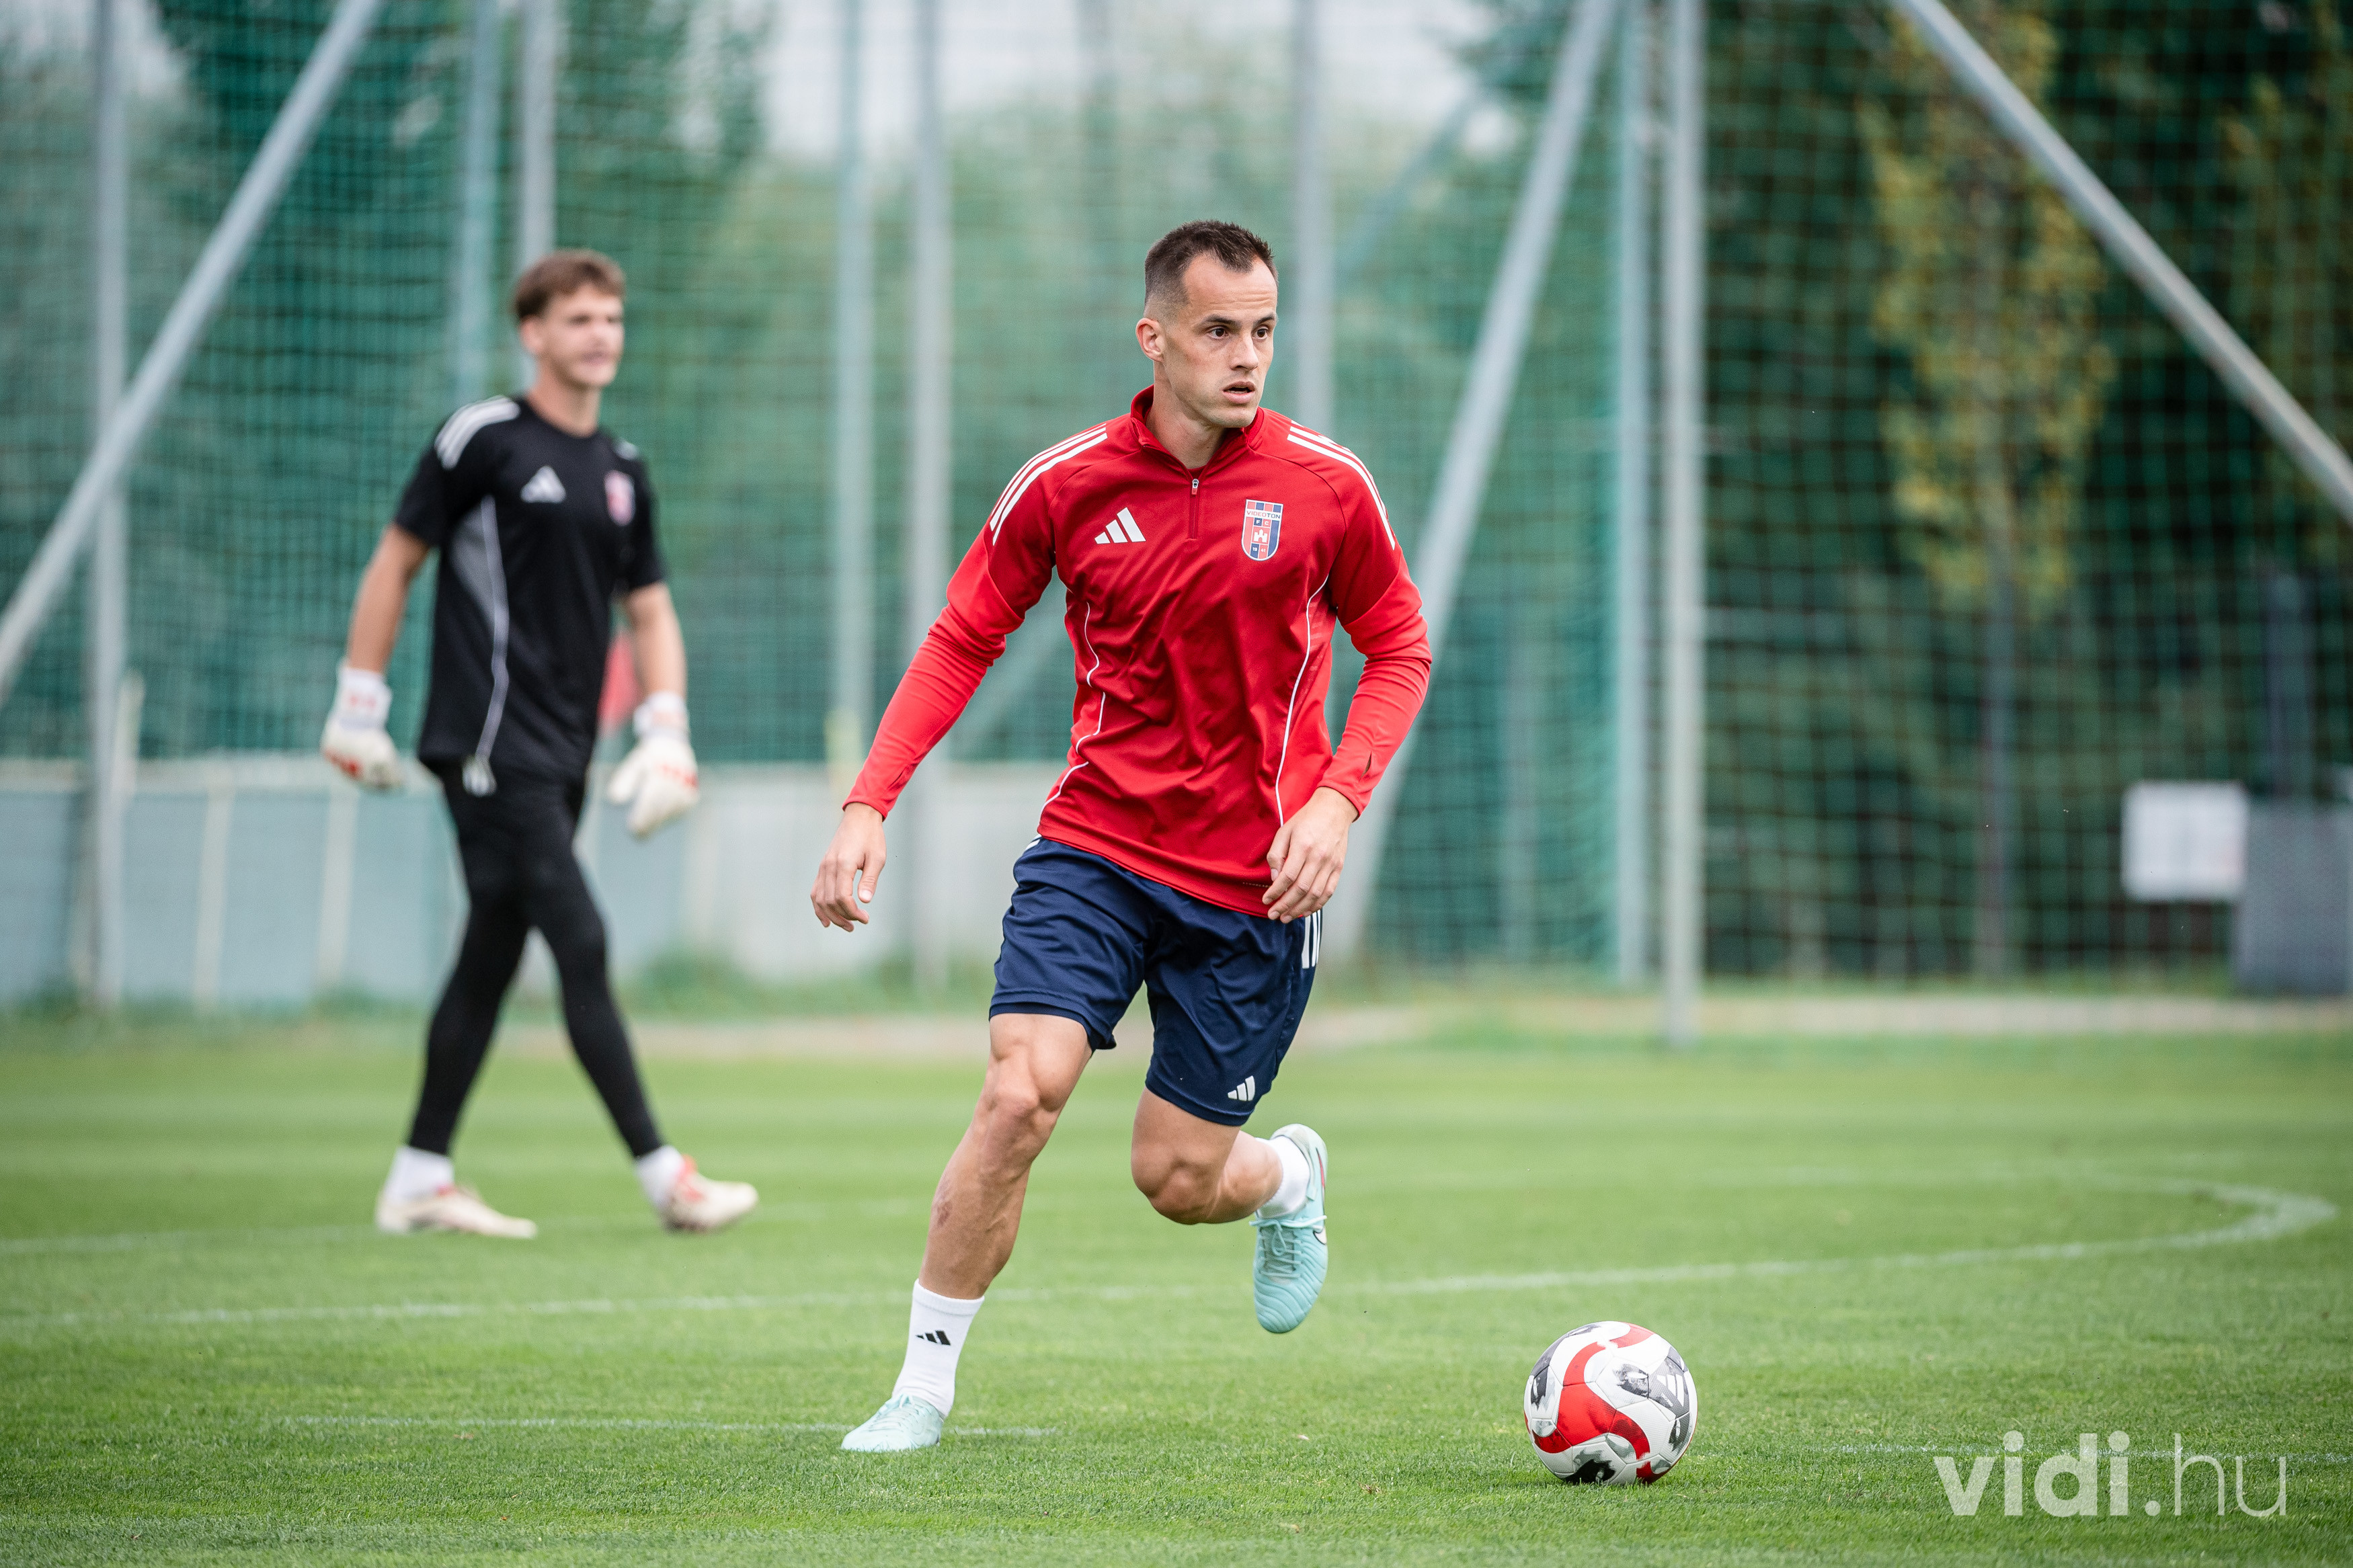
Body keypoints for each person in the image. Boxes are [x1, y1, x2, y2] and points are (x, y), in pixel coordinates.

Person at [811, 220, 1431, 1450]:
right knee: (1018, 1094)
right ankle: (922, 1386)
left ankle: (1288, 1177)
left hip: (1256, 884)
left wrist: (1336, 800)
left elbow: (1399, 647)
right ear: (1154, 337)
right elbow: (962, 638)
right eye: (1218, 331)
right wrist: (868, 801)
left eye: (1263, 330)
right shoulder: (1065, 484)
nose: (1246, 355)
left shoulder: (1326, 486)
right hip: (1097, 852)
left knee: (1177, 1180)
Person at [321, 249, 758, 1239]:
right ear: (533, 333)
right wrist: (358, 703)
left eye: (612, 318)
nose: (600, 335)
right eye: (578, 319)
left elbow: (650, 610)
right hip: (484, 742)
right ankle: (665, 1175)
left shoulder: (624, 470)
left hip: (564, 752)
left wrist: (667, 730)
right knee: (581, 938)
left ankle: (419, 1175)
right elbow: (395, 562)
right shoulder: (483, 439)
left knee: (491, 951)